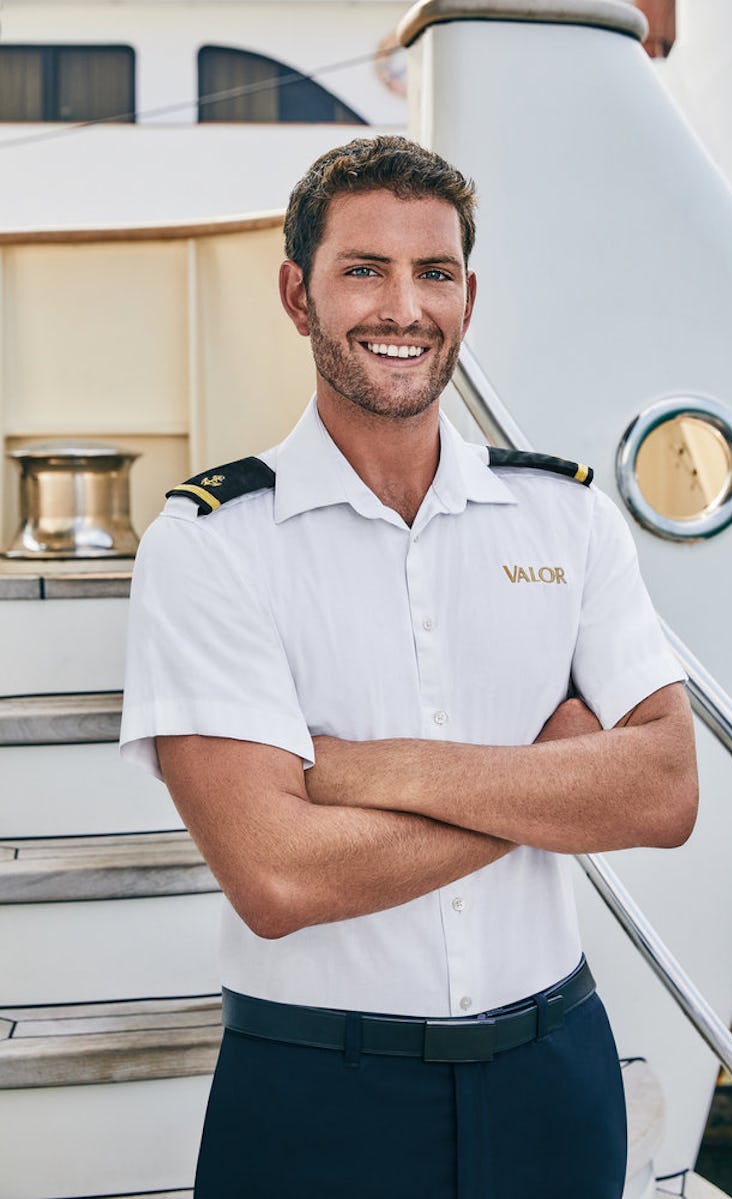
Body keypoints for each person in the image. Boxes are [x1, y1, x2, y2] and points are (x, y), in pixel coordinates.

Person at [120, 135, 698, 1199]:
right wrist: (549, 778)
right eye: (363, 269)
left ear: (467, 296)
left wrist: (358, 766)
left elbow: (662, 790)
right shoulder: (209, 544)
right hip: (316, 1093)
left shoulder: (566, 515)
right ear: (298, 295)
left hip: (554, 1072)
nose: (403, 307)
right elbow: (280, 876)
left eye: (433, 272)